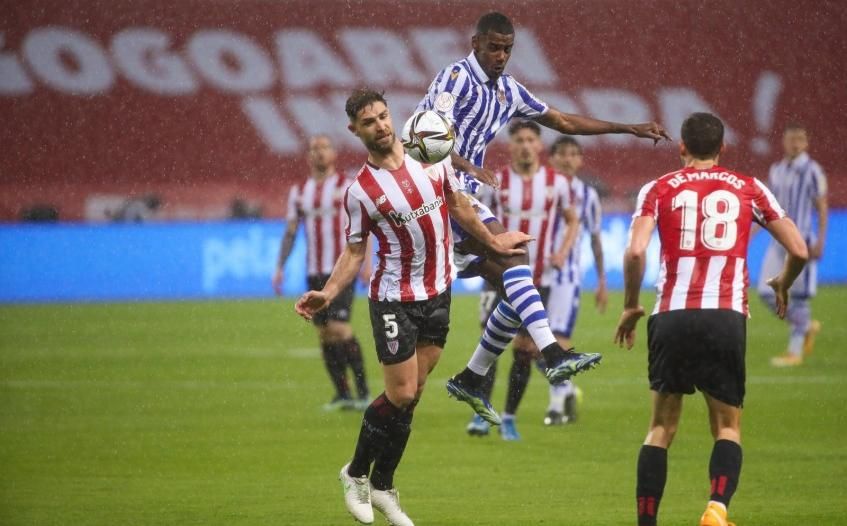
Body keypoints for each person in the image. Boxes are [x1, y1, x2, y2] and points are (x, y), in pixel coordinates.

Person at [416, 11, 670, 421]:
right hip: (433, 191)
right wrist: (468, 166)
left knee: (517, 287)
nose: (501, 56)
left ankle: (471, 378)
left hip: (461, 193)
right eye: (494, 47)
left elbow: (563, 120)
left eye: (507, 49)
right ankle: (552, 354)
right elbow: (425, 138)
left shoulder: (509, 91)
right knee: (516, 263)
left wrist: (628, 128)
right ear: (475, 43)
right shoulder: (455, 79)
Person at [295, 89, 531, 526]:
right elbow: (355, 251)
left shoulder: (430, 156)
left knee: (413, 397)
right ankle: (355, 472)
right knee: (401, 393)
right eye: (369, 122)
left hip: (438, 293)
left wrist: (495, 242)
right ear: (355, 130)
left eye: (383, 116)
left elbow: (460, 206)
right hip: (394, 299)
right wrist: (328, 293)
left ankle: (383, 486)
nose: (381, 126)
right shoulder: (361, 191)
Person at [614, 112, 808, 526]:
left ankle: (647, 522)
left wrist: (630, 305)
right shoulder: (750, 188)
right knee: (727, 427)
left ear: (681, 146)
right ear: (722, 148)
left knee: (661, 429)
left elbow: (635, 251)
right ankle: (717, 508)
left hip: (672, 315)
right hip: (725, 315)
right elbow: (799, 250)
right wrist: (782, 282)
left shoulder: (658, 188)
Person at [465, 120, 579, 440]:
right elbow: (475, 221)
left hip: (539, 277)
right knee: (490, 343)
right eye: (520, 140)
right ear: (511, 146)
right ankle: (482, 412)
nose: (526, 146)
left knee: (525, 350)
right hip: (498, 276)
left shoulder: (558, 183)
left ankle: (509, 417)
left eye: (531, 140)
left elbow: (572, 220)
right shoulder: (495, 182)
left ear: (539, 145)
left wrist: (562, 251)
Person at [273, 135, 370, 411]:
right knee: (325, 333)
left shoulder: (347, 186)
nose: (319, 152)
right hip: (314, 270)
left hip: (341, 270)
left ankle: (363, 393)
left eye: (324, 147)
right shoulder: (299, 192)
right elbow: (291, 231)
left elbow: (365, 225)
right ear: (308, 156)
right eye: (314, 149)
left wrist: (367, 264)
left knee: (340, 328)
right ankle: (343, 394)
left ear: (334, 154)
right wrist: (280, 266)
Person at [543, 136, 608, 426]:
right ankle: (567, 389)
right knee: (531, 346)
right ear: (551, 158)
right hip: (535, 273)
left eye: (573, 154)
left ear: (580, 160)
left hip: (566, 277)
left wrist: (602, 280)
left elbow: (595, 238)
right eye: (562, 153)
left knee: (558, 339)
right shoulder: (541, 187)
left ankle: (556, 406)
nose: (567, 159)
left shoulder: (587, 195)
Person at [756, 123, 828, 367]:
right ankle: (805, 325)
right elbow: (766, 207)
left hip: (801, 241)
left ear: (806, 143)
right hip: (777, 241)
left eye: (800, 139)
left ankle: (794, 352)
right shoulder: (776, 170)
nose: (795, 144)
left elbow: (822, 207)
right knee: (766, 292)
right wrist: (750, 233)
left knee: (798, 296)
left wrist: (820, 240)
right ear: (784, 142)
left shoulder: (813, 171)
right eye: (791, 139)